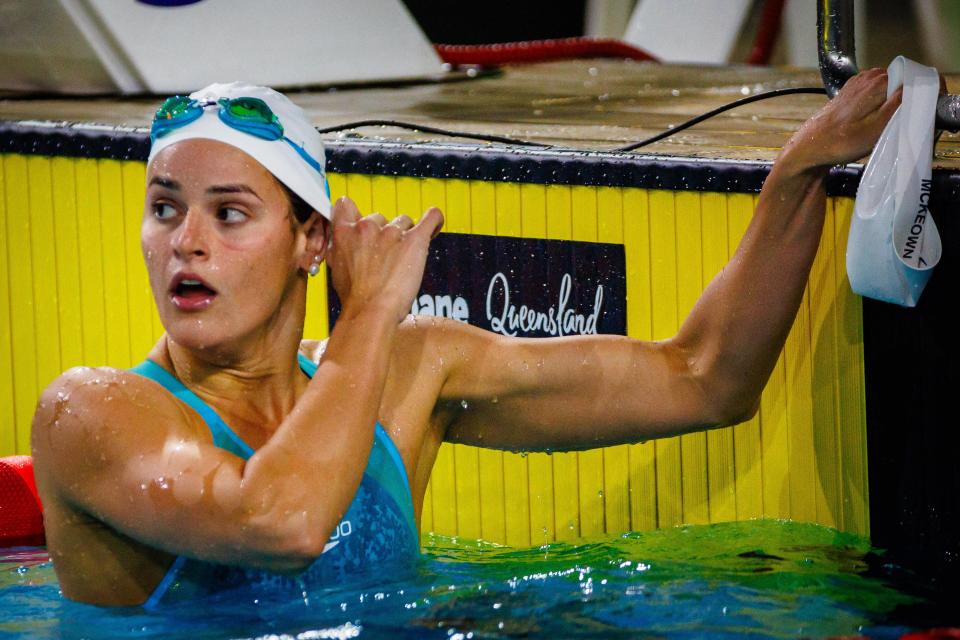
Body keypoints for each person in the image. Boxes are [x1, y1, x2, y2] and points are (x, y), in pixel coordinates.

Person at [30, 71, 900, 607]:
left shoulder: (409, 378)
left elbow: (707, 378)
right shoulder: (95, 414)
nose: (187, 241)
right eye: (164, 208)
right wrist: (369, 314)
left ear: (312, 242)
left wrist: (800, 170)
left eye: (229, 214)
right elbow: (280, 520)